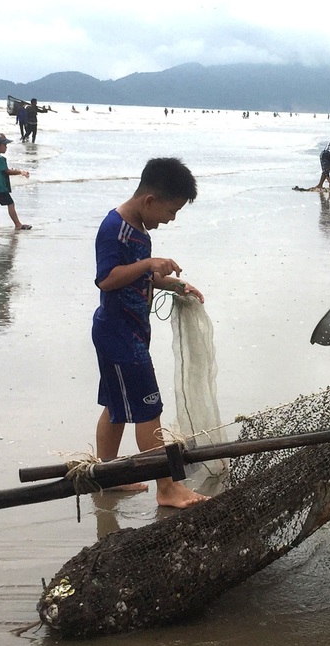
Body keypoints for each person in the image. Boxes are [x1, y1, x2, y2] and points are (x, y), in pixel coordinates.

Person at [91, 157, 208, 509]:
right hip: (119, 334)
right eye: (170, 211)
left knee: (115, 406)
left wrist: (173, 285)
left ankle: (108, 476)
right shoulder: (114, 227)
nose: (170, 219)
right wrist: (147, 264)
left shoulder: (140, 229)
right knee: (148, 409)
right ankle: (168, 488)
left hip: (130, 332)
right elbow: (107, 278)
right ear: (150, 201)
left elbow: (143, 277)